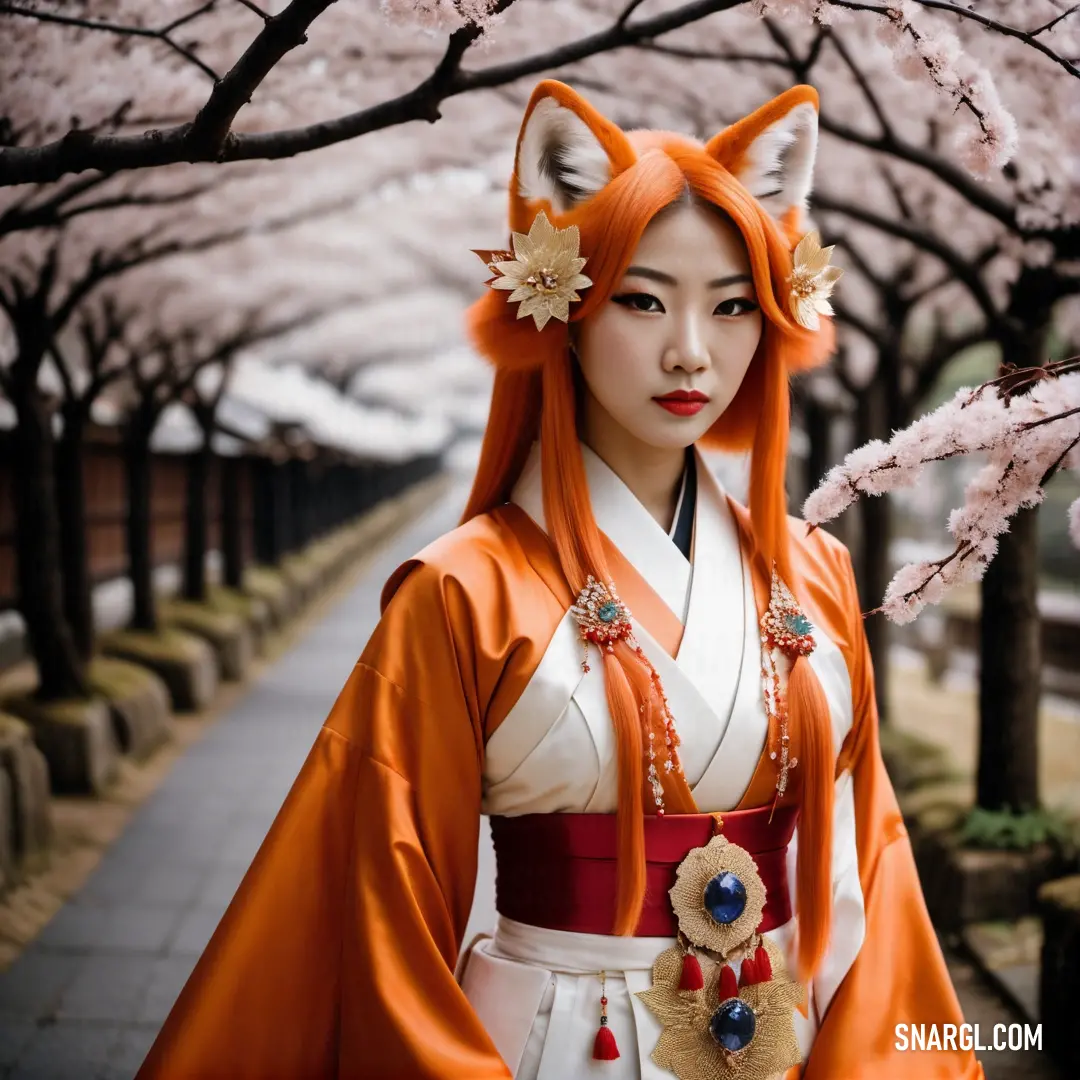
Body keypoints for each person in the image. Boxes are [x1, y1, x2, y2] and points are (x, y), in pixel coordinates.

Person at [136, 81, 983, 1080]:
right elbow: (377, 907)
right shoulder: (461, 591)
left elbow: (864, 880)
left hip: (776, 1045)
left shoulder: (819, 572)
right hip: (552, 1044)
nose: (691, 352)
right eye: (642, 299)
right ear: (564, 307)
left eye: (732, 306)